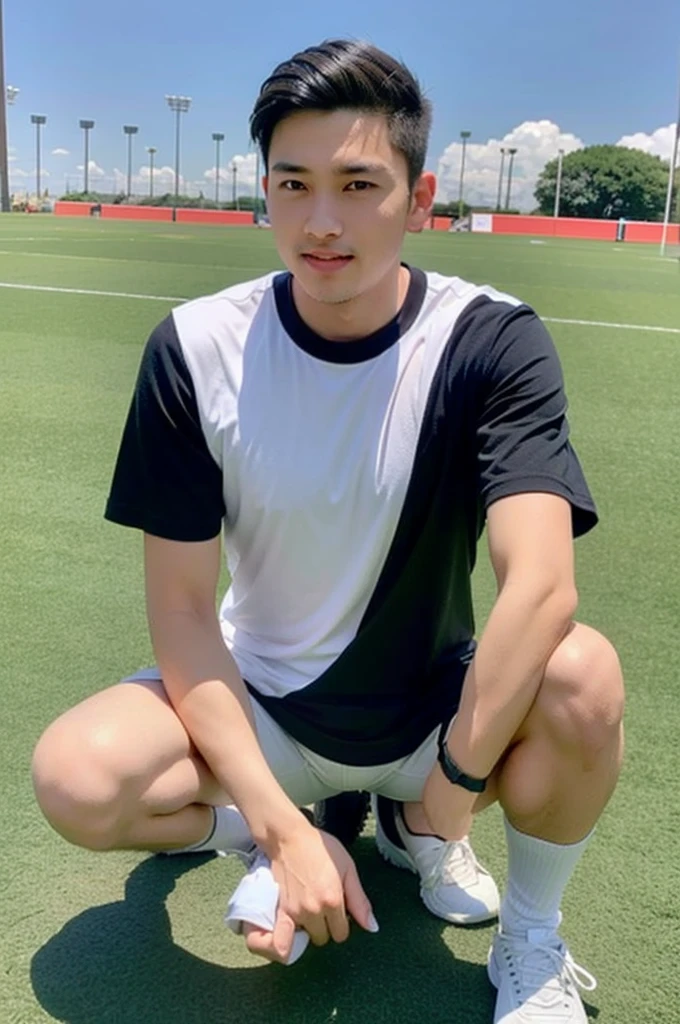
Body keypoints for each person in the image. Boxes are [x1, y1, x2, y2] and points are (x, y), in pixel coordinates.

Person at [32, 39, 624, 1023]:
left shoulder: (490, 340)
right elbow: (181, 614)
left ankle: (524, 933)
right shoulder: (194, 346)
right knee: (76, 775)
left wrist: (445, 790)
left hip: (432, 720)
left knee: (582, 674)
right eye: (292, 183)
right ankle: (282, 833)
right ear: (262, 187)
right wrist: (280, 830)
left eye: (357, 185)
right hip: (262, 709)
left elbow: (541, 587)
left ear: (419, 197)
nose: (319, 221)